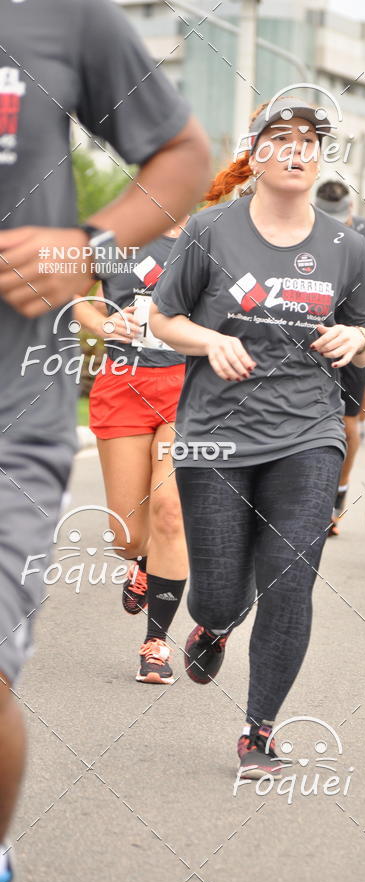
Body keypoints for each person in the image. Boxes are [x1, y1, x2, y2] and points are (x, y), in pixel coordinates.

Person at [0, 0, 210, 882]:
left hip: (14, 407)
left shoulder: (59, 17)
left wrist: (80, 249)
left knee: (164, 510)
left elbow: (183, 155)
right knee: (132, 526)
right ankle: (142, 574)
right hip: (118, 381)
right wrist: (94, 302)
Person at [150, 96, 365, 778]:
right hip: (215, 434)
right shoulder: (209, 230)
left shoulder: (346, 246)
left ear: (319, 158)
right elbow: (164, 319)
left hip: (307, 432)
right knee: (222, 589)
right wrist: (210, 339)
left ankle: (259, 731)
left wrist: (359, 337)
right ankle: (215, 624)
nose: (295, 148)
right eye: (280, 138)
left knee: (290, 579)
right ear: (254, 154)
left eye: (308, 140)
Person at [74, 219, 192, 684]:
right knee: (127, 535)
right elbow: (79, 298)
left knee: (170, 511)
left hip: (188, 390)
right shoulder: (112, 238)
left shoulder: (209, 235)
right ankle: (141, 564)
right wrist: (104, 322)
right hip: (123, 385)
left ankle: (156, 643)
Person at [314, 180, 365, 535]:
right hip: (314, 339)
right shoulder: (302, 228)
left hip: (356, 340)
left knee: (348, 423)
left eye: (335, 215)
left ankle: (337, 495)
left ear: (349, 210)